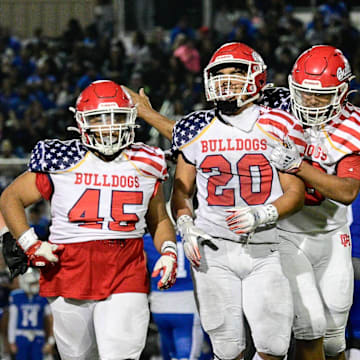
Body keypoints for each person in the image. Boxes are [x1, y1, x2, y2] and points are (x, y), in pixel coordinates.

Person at [0, 80, 178, 360]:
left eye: (117, 117)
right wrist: (30, 243)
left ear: (130, 118)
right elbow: (11, 197)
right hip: (68, 267)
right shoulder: (61, 158)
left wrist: (168, 250)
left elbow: (159, 219)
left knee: (121, 354)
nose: (109, 127)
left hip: (125, 266)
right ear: (82, 122)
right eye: (99, 119)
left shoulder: (147, 160)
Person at [168, 42, 305, 360]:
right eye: (220, 74)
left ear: (256, 78)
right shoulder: (194, 127)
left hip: (265, 246)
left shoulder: (279, 123)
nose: (226, 81)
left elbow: (295, 192)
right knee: (227, 350)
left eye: (235, 73)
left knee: (273, 347)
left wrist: (263, 214)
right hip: (212, 249)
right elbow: (181, 191)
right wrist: (186, 223)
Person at [266, 45, 360, 360]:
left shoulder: (353, 126)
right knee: (309, 328)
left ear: (343, 92)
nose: (310, 101)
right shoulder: (277, 111)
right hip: (287, 233)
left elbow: (348, 191)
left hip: (333, 235)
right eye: (303, 92)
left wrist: (299, 166)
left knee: (334, 338)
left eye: (321, 95)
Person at [143, 221, 212, 360]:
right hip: (187, 307)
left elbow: (141, 272)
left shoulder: (147, 240)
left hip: (159, 306)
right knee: (188, 356)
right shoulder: (198, 237)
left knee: (168, 354)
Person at [8, 268, 54, 360]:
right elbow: (12, 320)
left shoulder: (42, 297)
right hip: (21, 335)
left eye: (36, 283)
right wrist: (11, 340)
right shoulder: (16, 296)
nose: (35, 286)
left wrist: (50, 341)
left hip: (38, 336)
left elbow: (50, 320)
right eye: (32, 283)